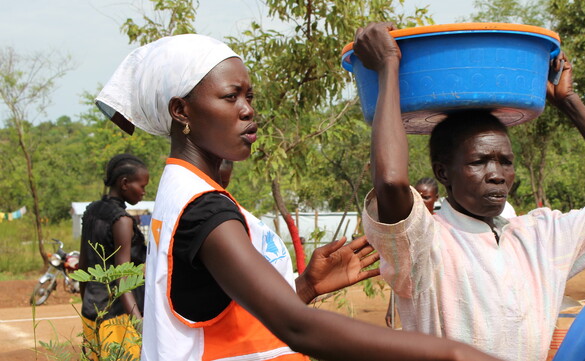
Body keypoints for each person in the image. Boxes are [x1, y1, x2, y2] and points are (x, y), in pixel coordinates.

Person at [95, 34, 502, 361]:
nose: (248, 110)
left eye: (249, 97)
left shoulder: (185, 191)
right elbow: (296, 327)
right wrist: (452, 352)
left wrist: (305, 286)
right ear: (181, 110)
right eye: (230, 96)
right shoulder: (203, 209)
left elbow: (221, 312)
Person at [355, 22, 585, 360]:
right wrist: (387, 68)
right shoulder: (426, 246)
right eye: (479, 162)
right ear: (443, 172)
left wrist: (569, 103)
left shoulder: (541, 236)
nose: (497, 175)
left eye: (506, 162)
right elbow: (392, 182)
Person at [79, 153, 149, 358]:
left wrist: (88, 308)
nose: (144, 192)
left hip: (92, 311)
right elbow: (122, 279)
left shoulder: (92, 210)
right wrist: (139, 325)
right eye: (142, 186)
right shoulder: (123, 221)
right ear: (125, 183)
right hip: (119, 316)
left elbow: (83, 266)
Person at [385, 176, 438, 328]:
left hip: (438, 296)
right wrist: (391, 306)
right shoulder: (408, 230)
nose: (420, 202)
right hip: (414, 298)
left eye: (426, 198)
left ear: (436, 198)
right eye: (417, 197)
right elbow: (400, 271)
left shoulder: (442, 227)